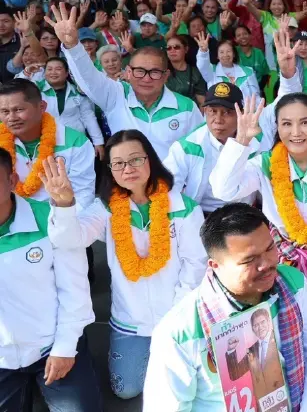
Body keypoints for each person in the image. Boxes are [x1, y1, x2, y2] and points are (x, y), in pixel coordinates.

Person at [142, 202, 307, 411]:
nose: (267, 264)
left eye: (270, 248)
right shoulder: (178, 331)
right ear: (215, 266)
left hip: (294, 392)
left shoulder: (292, 282)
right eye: (249, 260)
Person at [44, 130, 205, 399]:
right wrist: (64, 204)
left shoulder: (183, 207)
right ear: (110, 170)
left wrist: (177, 316)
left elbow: (195, 265)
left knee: (188, 388)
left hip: (177, 315)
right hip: (130, 320)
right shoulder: (106, 208)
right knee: (125, 390)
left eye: (135, 160)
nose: (127, 169)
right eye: (118, 163)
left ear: (150, 159)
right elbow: (70, 239)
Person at [209, 93, 307, 334]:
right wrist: (242, 141)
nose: (296, 132)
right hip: (281, 262)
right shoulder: (265, 164)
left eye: (305, 122)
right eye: (287, 124)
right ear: (277, 128)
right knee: (284, 333)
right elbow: (223, 190)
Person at [0, 148, 102, 411]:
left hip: (52, 346)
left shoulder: (53, 219)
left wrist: (65, 349)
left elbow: (75, 289)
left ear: (12, 181)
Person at [164, 32, 300, 216]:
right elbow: (166, 188)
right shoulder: (188, 146)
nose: (218, 119)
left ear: (240, 114)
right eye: (212, 111)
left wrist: (288, 74)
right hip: (204, 216)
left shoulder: (255, 128)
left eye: (227, 112)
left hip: (250, 213)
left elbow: (287, 104)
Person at [49, 3, 203, 160]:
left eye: (155, 72)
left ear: (166, 75)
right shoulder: (116, 95)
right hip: (125, 176)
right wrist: (73, 46)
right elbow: (89, 79)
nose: (146, 78)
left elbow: (199, 154)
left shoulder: (187, 108)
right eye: (139, 71)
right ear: (128, 72)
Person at [0, 78, 97, 209]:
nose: (11, 118)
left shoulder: (76, 142)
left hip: (59, 216)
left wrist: (60, 219)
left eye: (18, 109)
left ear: (42, 107)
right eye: (5, 111)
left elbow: (83, 197)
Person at [36, 56, 104, 154]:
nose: (53, 72)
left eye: (58, 69)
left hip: (75, 142)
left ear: (66, 73)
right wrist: (26, 73)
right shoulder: (36, 91)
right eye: (49, 69)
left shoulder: (77, 92)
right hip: (45, 142)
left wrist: (98, 142)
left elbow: (88, 117)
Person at [196, 33, 260, 103]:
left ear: (234, 54)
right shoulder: (211, 71)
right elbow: (202, 65)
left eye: (228, 51)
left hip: (245, 109)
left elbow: (256, 97)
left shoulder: (248, 71)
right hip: (220, 110)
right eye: (221, 52)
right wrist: (203, 51)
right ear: (217, 56)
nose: (225, 55)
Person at [163, 34, 205, 106]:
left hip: (189, 110)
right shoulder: (161, 71)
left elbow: (202, 102)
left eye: (176, 47)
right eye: (168, 48)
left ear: (186, 49)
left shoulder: (196, 72)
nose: (172, 50)